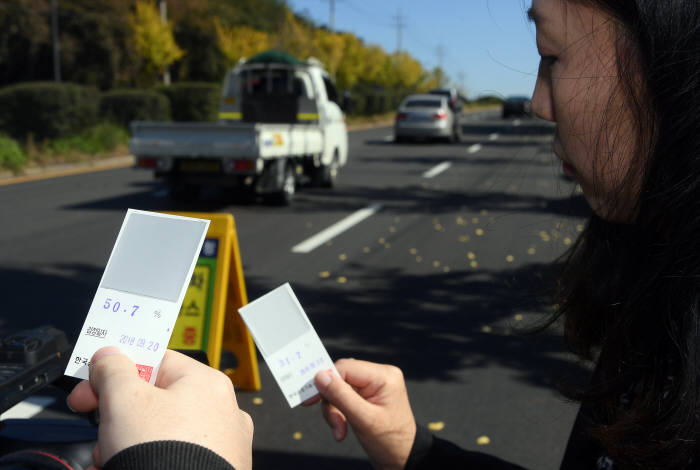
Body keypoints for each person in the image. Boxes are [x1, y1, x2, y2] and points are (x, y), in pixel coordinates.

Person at [67, 0, 700, 468]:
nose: (537, 101)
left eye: (550, 56)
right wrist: (412, 448)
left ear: (670, 53)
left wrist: (177, 461)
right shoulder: (663, 286)